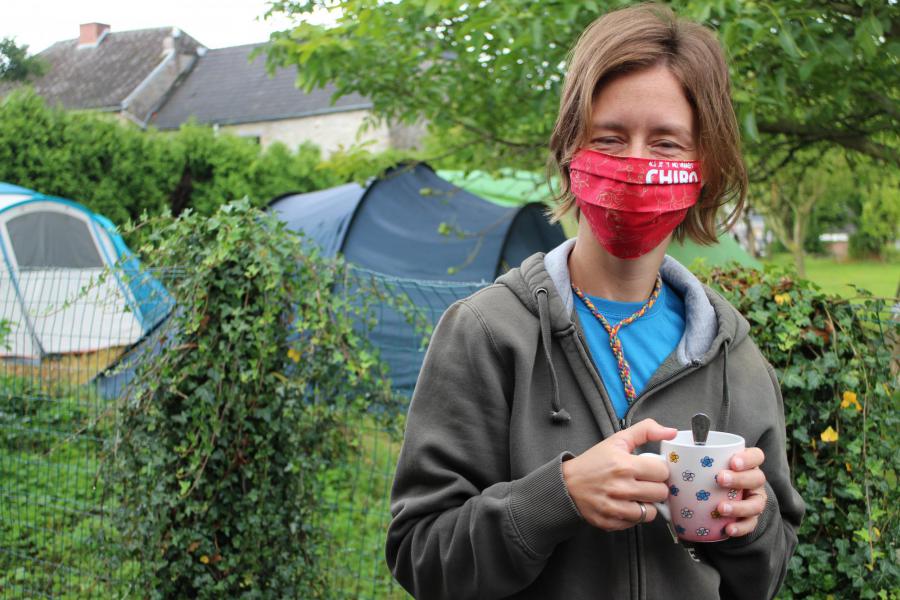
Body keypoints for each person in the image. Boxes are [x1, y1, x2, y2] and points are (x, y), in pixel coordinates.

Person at [385, 4, 804, 599]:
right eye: (609, 138)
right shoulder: (484, 333)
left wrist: (751, 524)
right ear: (568, 152)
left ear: (703, 168)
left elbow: (767, 572)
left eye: (666, 143)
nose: (636, 163)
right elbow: (420, 555)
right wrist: (557, 498)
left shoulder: (734, 357)